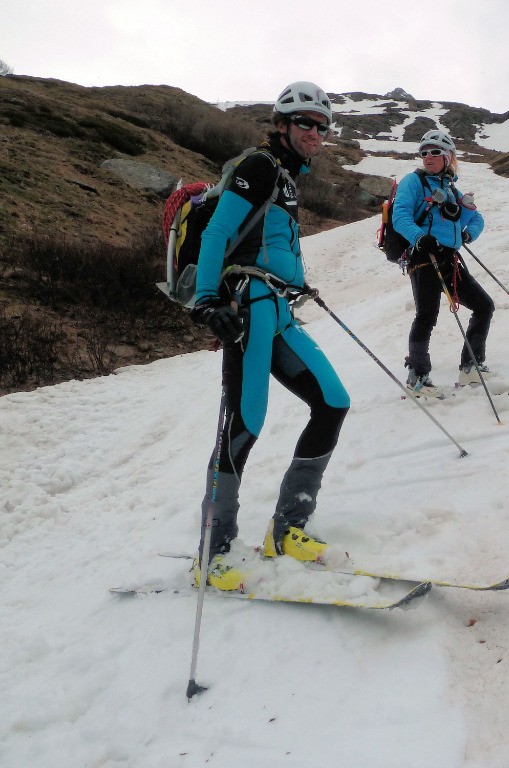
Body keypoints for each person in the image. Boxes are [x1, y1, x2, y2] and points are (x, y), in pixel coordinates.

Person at [188, 81, 349, 590]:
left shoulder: (287, 177)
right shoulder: (258, 166)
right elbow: (217, 233)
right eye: (305, 123)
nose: (315, 133)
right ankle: (211, 554)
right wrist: (208, 300)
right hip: (248, 308)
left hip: (278, 308)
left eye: (322, 126)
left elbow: (272, 241)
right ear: (281, 125)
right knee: (244, 424)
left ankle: (288, 529)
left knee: (333, 401)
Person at [391, 129, 490, 395]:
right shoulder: (413, 182)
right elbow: (399, 217)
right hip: (424, 258)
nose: (428, 156)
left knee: (484, 306)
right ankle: (417, 378)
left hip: (449, 259)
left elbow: (476, 219)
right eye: (424, 152)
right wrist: (420, 238)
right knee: (426, 316)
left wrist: (469, 233)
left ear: (448, 157)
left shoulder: (451, 190)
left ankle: (471, 367)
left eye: (435, 152)